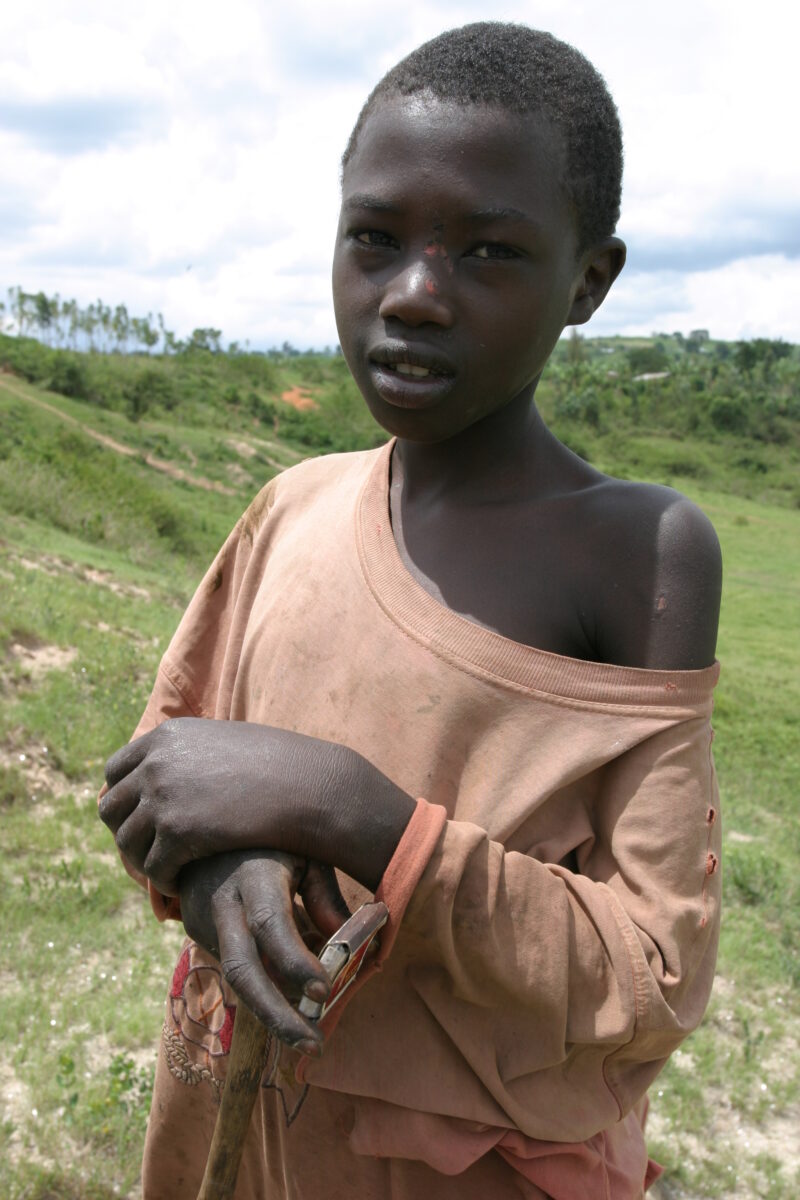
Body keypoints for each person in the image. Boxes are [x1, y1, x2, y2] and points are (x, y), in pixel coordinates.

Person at [99, 22, 722, 1200]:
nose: (416, 295)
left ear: (586, 280)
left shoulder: (637, 550)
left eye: (488, 252)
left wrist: (354, 813)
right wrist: (220, 867)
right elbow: (161, 783)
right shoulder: (290, 508)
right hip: (240, 1128)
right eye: (374, 240)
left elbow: (652, 977)